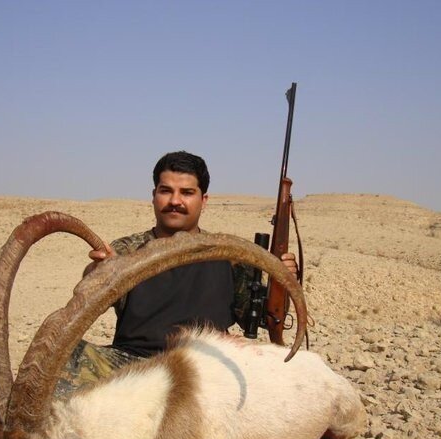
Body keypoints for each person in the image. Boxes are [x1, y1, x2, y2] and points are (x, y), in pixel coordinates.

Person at [57, 151, 298, 393]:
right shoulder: (126, 250)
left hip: (204, 370)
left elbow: (263, 318)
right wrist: (96, 271)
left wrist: (283, 283)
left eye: (187, 192)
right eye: (166, 191)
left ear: (203, 200)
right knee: (66, 355)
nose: (175, 201)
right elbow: (91, 289)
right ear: (154, 196)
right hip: (133, 364)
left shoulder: (230, 255)